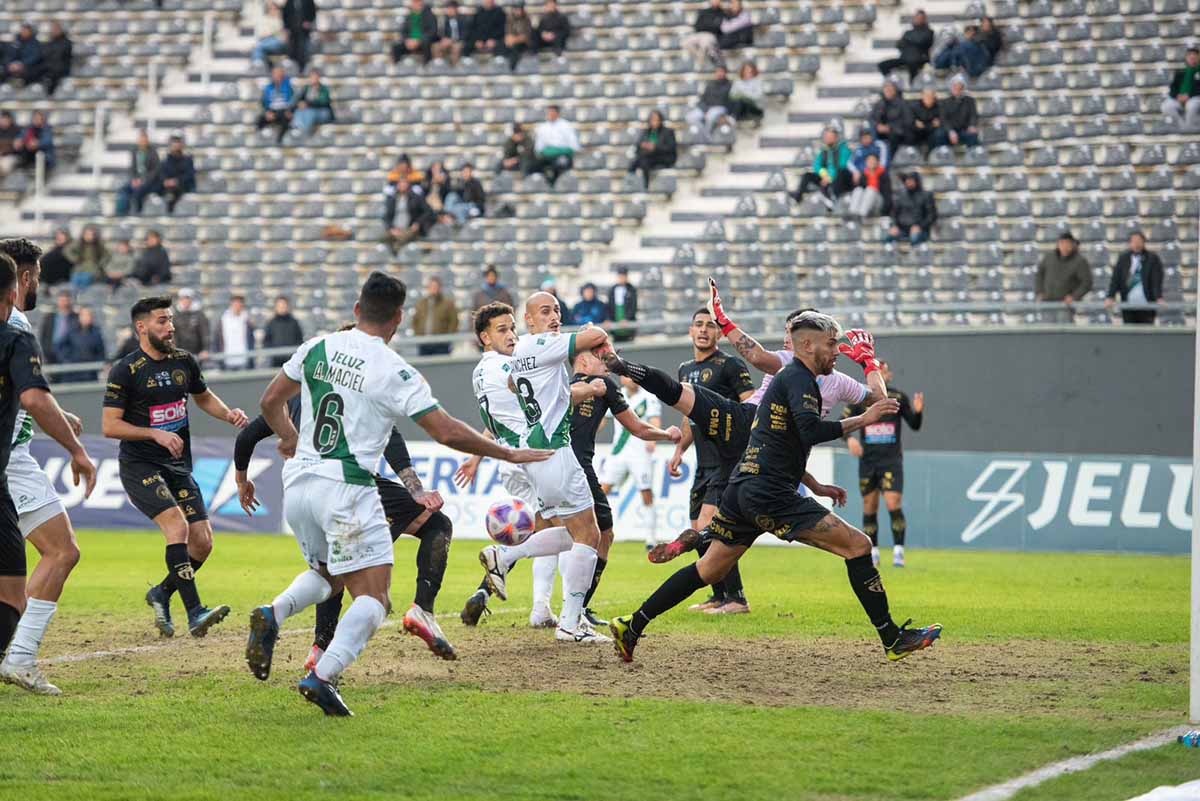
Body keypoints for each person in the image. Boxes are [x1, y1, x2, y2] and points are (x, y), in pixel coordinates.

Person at [247, 274, 552, 715]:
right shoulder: (394, 368)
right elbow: (445, 430)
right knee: (374, 598)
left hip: (298, 484)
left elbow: (269, 401)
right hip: (348, 487)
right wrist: (506, 452)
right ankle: (323, 674)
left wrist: (291, 438)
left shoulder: (317, 346)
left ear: (356, 310)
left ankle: (272, 613)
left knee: (328, 576)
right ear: (398, 319)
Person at [607, 312, 942, 666]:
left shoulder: (794, 380)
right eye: (831, 344)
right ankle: (891, 637)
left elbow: (789, 439)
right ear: (808, 345)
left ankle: (632, 624)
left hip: (744, 486)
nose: (837, 352)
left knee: (709, 571)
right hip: (770, 492)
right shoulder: (799, 379)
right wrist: (862, 419)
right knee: (859, 546)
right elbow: (812, 431)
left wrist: (815, 484)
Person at [623, 283, 887, 616]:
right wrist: (867, 364)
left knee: (688, 400)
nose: (786, 342)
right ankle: (710, 552)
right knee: (685, 396)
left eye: (791, 335)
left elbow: (758, 359)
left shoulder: (810, 370)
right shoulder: (802, 369)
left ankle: (703, 541)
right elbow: (873, 402)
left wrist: (868, 361)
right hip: (758, 441)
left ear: (806, 342)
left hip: (758, 444)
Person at [236, 370, 460, 672]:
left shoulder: (299, 395)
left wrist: (241, 482)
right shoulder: (364, 387)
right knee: (429, 531)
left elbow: (247, 435)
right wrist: (416, 489)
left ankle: (287, 623)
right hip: (348, 485)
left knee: (329, 571)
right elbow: (391, 438)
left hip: (299, 491)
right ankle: (421, 610)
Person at [469, 293, 618, 643]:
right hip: (552, 449)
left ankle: (505, 558)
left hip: (534, 452)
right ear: (530, 320)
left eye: (557, 312)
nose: (554, 318)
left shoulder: (517, 355)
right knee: (590, 535)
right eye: (545, 312)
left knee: (570, 534)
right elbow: (594, 336)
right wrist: (599, 347)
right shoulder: (538, 346)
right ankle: (570, 624)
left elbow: (513, 385)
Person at [102, 296, 250, 639]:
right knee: (176, 525)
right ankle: (196, 611)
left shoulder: (184, 361)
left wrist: (227, 414)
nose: (170, 328)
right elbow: (110, 425)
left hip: (177, 465)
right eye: (162, 322)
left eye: (170, 321)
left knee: (203, 542)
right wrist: (153, 433)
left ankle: (161, 593)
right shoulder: (126, 370)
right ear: (141, 327)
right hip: (140, 464)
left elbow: (203, 396)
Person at [0, 240, 93, 695]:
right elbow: (31, 396)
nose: (39, 285)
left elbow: (24, 396)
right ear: (25, 277)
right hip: (11, 463)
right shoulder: (16, 323)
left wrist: (56, 416)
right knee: (62, 551)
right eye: (36, 277)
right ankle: (19, 656)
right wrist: (76, 448)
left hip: (14, 452)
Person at [638, 306, 757, 614]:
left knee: (710, 525)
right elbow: (691, 415)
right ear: (690, 331)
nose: (704, 329)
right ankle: (719, 595)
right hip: (703, 462)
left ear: (719, 333)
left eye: (710, 326)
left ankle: (737, 598)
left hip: (728, 460)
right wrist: (680, 451)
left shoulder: (731, 365)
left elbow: (752, 408)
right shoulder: (684, 368)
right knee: (698, 528)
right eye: (698, 325)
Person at [843, 363, 923, 567]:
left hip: (891, 460)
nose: (880, 373)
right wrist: (850, 439)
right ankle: (874, 551)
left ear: (888, 374)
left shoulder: (898, 397)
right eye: (876, 369)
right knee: (870, 506)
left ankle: (898, 552)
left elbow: (914, 424)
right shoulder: (862, 397)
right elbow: (841, 422)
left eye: (883, 370)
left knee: (893, 502)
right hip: (868, 461)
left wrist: (919, 412)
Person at [601, 376, 667, 550]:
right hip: (618, 452)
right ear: (622, 379)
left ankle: (650, 538)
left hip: (640, 454)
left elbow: (654, 419)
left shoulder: (648, 397)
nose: (632, 379)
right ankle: (598, 530)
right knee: (601, 491)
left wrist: (653, 439)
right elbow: (602, 419)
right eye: (627, 376)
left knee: (646, 492)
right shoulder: (616, 395)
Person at [788, 126, 855, 211]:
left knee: (841, 173)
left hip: (840, 180)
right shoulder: (825, 150)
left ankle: (832, 199)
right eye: (826, 137)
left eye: (830, 137)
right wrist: (824, 175)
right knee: (807, 175)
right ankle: (797, 198)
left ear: (836, 138)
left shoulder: (844, 150)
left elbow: (842, 166)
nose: (827, 139)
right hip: (826, 178)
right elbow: (817, 165)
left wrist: (830, 177)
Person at [1105, 230, 1165, 324]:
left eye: (1139, 241)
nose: (1136, 244)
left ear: (1144, 242)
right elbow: (1116, 279)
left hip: (1147, 305)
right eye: (1134, 241)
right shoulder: (1123, 258)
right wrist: (1110, 296)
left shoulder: (1153, 259)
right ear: (1130, 243)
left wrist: (1158, 297)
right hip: (1128, 305)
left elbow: (1156, 280)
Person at [1035, 231, 1092, 307]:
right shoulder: (1049, 257)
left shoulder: (1080, 261)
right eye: (1062, 243)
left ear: (1072, 245)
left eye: (1067, 243)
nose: (1064, 246)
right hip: (1047, 302)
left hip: (1067, 304)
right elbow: (1040, 274)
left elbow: (1087, 282)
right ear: (1058, 244)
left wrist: (1074, 296)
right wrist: (1040, 292)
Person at [381, 176, 437, 253]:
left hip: (410, 229)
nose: (402, 185)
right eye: (401, 183)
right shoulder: (392, 199)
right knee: (383, 239)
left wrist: (418, 223)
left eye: (405, 183)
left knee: (400, 243)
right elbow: (386, 216)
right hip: (396, 229)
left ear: (409, 185)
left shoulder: (416, 198)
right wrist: (391, 228)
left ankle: (396, 255)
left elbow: (428, 211)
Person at [878, 9, 933, 80]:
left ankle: (912, 86)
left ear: (924, 19)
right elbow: (899, 45)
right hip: (905, 59)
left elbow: (921, 41)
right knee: (883, 65)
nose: (918, 20)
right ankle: (891, 81)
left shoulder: (929, 32)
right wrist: (912, 42)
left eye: (920, 18)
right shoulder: (908, 32)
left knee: (913, 64)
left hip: (920, 60)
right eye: (917, 18)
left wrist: (909, 41)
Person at [116, 130, 161, 216]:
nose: (143, 141)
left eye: (144, 139)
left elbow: (155, 170)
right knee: (123, 191)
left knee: (138, 193)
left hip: (148, 182)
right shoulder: (134, 151)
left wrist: (143, 180)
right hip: (136, 180)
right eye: (141, 139)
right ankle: (121, 214)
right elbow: (132, 168)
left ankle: (137, 213)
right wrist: (134, 179)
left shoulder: (153, 152)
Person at [411, 276, 460, 356]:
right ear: (428, 288)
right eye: (432, 287)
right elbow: (415, 321)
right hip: (424, 344)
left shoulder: (448, 304)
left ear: (440, 288)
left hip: (441, 345)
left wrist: (447, 339)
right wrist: (418, 335)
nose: (434, 289)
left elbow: (454, 322)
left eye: (436, 287)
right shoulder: (421, 303)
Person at [533, 105, 579, 186]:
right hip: (547, 156)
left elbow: (574, 146)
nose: (550, 114)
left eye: (552, 112)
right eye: (549, 112)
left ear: (557, 113)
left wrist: (562, 151)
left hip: (562, 155)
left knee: (561, 163)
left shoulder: (566, 126)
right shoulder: (543, 127)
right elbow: (539, 147)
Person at [886, 172, 936, 246]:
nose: (908, 182)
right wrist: (894, 225)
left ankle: (914, 256)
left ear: (916, 181)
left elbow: (932, 216)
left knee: (914, 237)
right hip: (902, 228)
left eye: (911, 180)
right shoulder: (901, 195)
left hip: (920, 229)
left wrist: (920, 226)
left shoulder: (926, 195)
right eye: (907, 180)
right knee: (888, 237)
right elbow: (893, 213)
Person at [59, 307, 106, 383]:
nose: (87, 318)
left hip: (90, 373)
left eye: (89, 315)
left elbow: (101, 352)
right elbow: (60, 347)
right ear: (80, 317)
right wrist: (67, 360)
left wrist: (97, 364)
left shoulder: (96, 333)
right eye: (84, 315)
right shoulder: (72, 331)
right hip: (74, 372)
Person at [686, 65, 733, 140]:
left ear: (725, 73)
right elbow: (703, 99)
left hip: (720, 108)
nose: (719, 73)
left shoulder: (729, 85)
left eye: (721, 72)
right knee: (690, 117)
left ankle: (707, 137)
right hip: (706, 108)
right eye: (718, 72)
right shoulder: (710, 84)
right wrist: (705, 109)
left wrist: (709, 110)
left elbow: (724, 101)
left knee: (710, 116)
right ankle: (704, 135)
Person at [935, 75, 979, 148]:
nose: (957, 89)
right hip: (950, 130)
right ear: (951, 88)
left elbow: (973, 115)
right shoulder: (944, 102)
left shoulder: (970, 101)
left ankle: (972, 156)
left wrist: (972, 125)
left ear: (963, 88)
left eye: (960, 87)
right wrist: (950, 131)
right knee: (939, 135)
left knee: (973, 135)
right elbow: (944, 119)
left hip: (964, 129)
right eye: (955, 87)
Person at [213, 295, 255, 371]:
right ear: (231, 305)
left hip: (244, 359)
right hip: (227, 359)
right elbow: (217, 339)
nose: (237, 306)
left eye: (239, 304)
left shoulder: (247, 320)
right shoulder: (223, 320)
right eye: (235, 304)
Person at [869, 80, 914, 151]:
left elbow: (908, 121)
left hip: (897, 133)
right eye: (886, 89)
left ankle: (889, 158)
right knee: (870, 132)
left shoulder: (902, 104)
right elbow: (871, 118)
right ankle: (872, 155)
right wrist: (877, 126)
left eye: (890, 89)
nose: (888, 91)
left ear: (895, 91)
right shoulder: (879, 104)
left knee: (893, 136)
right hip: (880, 132)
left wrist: (889, 127)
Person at [1163, 47, 1200, 129]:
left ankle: (1189, 128)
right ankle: (1182, 126)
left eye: (1194, 57)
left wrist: (1189, 96)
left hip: (1195, 98)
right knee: (1166, 106)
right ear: (1186, 58)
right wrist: (1177, 96)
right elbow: (1173, 87)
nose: (1192, 59)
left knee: (1191, 106)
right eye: (1190, 57)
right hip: (1179, 98)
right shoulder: (1180, 72)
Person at [261, 295, 304, 367]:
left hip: (291, 362)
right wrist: (273, 353)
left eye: (284, 305)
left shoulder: (294, 322)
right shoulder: (271, 323)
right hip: (275, 361)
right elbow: (266, 341)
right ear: (276, 307)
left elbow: (299, 340)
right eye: (279, 306)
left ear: (288, 306)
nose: (282, 308)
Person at [64, 224, 110, 291]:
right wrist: (75, 259)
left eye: (92, 234)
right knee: (75, 279)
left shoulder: (98, 245)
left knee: (86, 278)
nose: (90, 237)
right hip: (80, 268)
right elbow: (67, 250)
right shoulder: (79, 243)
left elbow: (107, 255)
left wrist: (100, 263)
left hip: (93, 269)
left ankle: (81, 296)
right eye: (87, 234)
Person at [38, 290, 78, 366]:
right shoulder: (49, 318)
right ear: (58, 301)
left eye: (66, 300)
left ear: (70, 302)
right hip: (51, 356)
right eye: (62, 300)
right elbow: (43, 337)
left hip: (69, 356)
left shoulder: (76, 318)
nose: (64, 303)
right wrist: (47, 352)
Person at [159, 135, 196, 213]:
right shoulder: (166, 160)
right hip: (168, 186)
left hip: (183, 185)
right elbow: (162, 173)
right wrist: (166, 181)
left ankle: (170, 211)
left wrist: (176, 181)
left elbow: (189, 175)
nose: (175, 145)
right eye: (173, 143)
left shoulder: (187, 159)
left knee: (173, 193)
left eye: (177, 142)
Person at [291, 70, 334, 137]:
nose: (313, 79)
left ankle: (305, 132)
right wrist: (300, 104)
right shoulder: (307, 88)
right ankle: (296, 128)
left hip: (323, 112)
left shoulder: (323, 89)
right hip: (308, 110)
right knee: (298, 111)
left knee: (310, 113)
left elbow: (323, 102)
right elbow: (300, 99)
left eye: (315, 77)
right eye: (312, 77)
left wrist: (307, 104)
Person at [257, 65, 295, 144]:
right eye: (276, 74)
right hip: (272, 111)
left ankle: (280, 140)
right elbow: (264, 102)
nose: (278, 77)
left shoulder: (288, 87)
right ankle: (261, 139)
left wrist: (290, 110)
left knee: (286, 119)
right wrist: (267, 112)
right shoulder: (268, 88)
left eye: (279, 74)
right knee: (260, 119)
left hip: (284, 111)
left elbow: (293, 100)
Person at [682, 0, 726, 67]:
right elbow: (697, 26)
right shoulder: (704, 11)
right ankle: (700, 58)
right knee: (685, 42)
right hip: (701, 34)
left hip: (712, 35)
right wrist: (709, 25)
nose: (715, 1)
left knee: (704, 43)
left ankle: (702, 63)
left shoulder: (722, 13)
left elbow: (718, 28)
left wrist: (706, 26)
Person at [847, 152, 888, 219]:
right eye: (869, 160)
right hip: (865, 201)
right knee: (858, 190)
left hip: (878, 202)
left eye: (873, 160)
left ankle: (862, 215)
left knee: (870, 190)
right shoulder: (864, 174)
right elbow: (860, 190)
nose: (871, 162)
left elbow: (887, 194)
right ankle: (853, 213)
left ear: (877, 162)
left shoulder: (883, 174)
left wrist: (885, 212)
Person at [173, 288, 210, 360]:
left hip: (197, 353)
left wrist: (205, 349)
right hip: (180, 351)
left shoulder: (199, 314)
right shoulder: (175, 315)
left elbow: (205, 333)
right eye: (183, 299)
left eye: (187, 298)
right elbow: (173, 334)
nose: (185, 301)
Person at [282, 0, 317, 71]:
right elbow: (285, 15)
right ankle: (294, 69)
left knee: (304, 50)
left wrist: (309, 22)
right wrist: (287, 28)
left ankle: (303, 68)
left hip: (305, 31)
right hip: (293, 31)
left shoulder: (309, 1)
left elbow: (313, 12)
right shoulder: (289, 2)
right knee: (292, 51)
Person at [607, 266, 638, 342]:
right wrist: (608, 319)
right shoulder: (612, 289)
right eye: (620, 276)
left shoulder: (632, 289)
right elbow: (609, 306)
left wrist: (627, 318)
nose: (621, 278)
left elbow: (633, 306)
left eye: (623, 276)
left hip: (627, 320)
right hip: (616, 318)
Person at [41, 22, 71, 96]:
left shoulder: (66, 43)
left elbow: (61, 57)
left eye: (56, 29)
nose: (54, 31)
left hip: (60, 71)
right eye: (53, 29)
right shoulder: (49, 43)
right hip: (48, 69)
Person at [909, 87, 942, 152]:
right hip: (919, 130)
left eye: (931, 96)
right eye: (926, 95)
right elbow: (912, 120)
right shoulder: (915, 106)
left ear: (934, 97)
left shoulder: (939, 106)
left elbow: (939, 121)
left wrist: (938, 123)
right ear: (922, 96)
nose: (928, 98)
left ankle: (932, 155)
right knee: (911, 133)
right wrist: (915, 122)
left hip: (932, 131)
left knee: (938, 134)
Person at [503, 1, 533, 70]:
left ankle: (512, 69)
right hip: (512, 42)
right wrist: (510, 39)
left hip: (523, 44)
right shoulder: (510, 18)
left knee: (516, 48)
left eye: (520, 9)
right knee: (502, 45)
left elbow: (525, 36)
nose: (518, 11)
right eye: (516, 9)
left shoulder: (527, 19)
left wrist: (514, 39)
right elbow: (508, 33)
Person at [0, 111, 20, 177]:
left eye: (6, 119)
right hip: (1, 156)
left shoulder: (16, 130)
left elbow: (16, 146)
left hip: (11, 156)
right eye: (2, 119)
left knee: (3, 165)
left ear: (10, 119)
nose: (3, 121)